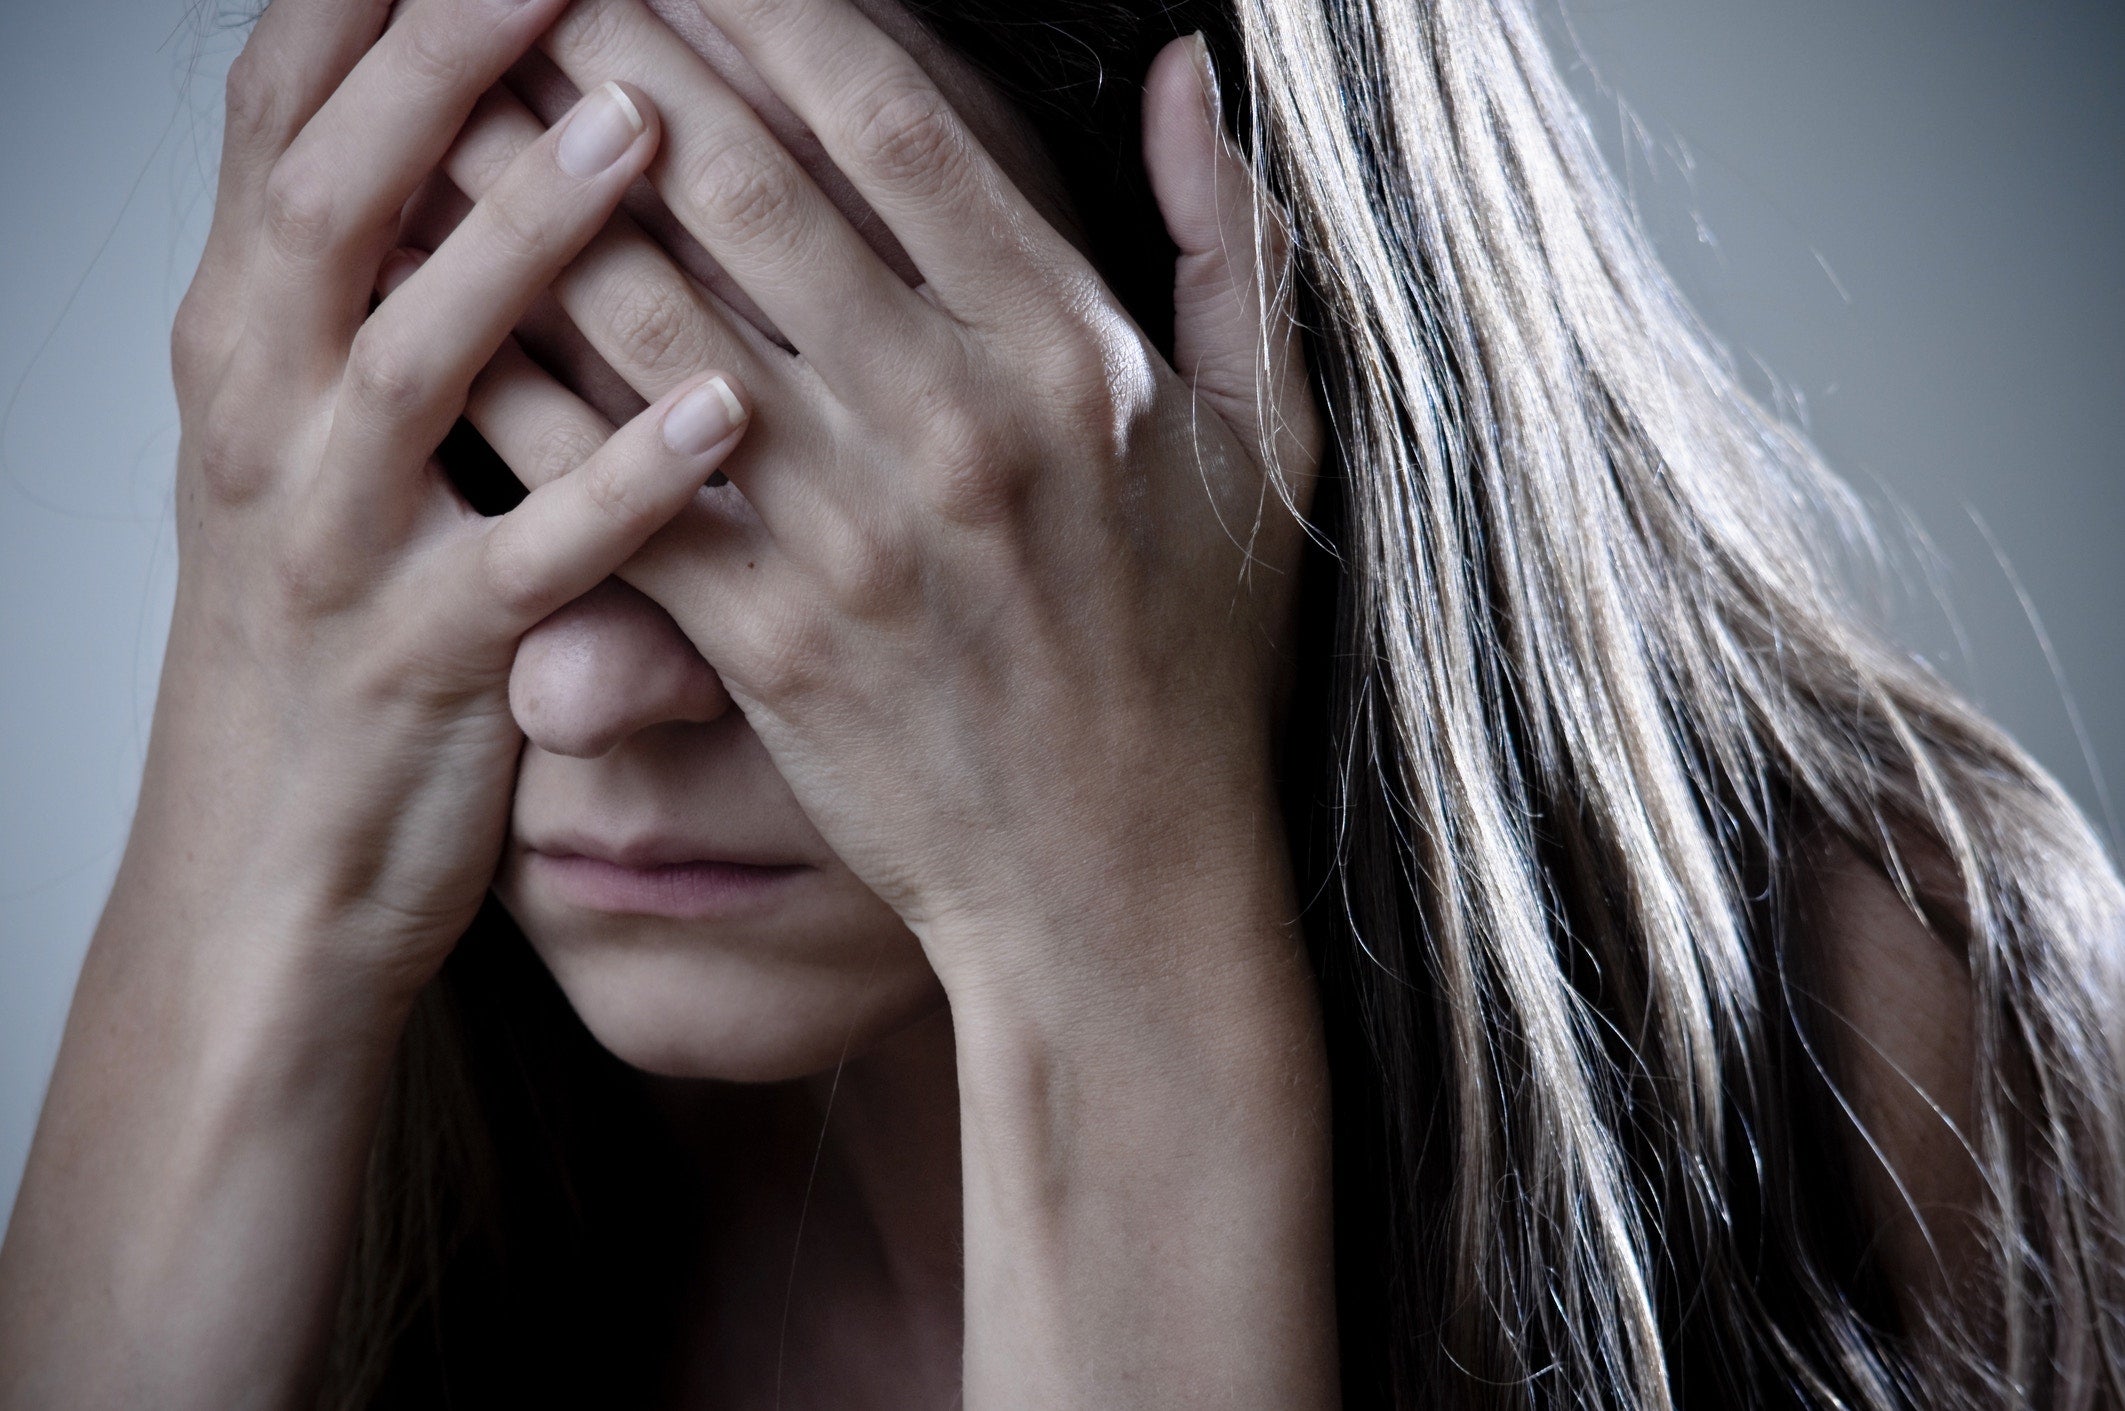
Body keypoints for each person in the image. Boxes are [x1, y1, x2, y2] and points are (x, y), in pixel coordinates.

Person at [1, 0, 2119, 1404]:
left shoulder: (1875, 1019)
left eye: (809, 471)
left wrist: (1109, 947)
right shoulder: (420, 1061)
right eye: (484, 410)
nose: (581, 674)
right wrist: (242, 901)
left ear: (1273, 367)